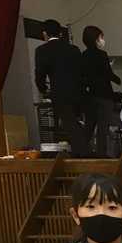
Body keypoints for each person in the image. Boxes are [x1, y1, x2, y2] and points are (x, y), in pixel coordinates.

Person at [33, 19, 87, 156]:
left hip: (60, 93)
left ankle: (79, 155)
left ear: (44, 34)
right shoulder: (73, 49)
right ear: (60, 33)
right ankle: (81, 151)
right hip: (78, 93)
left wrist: (44, 90)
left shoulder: (42, 50)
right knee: (76, 123)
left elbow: (40, 74)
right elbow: (82, 72)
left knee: (67, 125)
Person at [80, 25, 122, 156]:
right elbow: (107, 74)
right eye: (101, 37)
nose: (102, 40)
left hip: (90, 96)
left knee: (89, 126)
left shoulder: (83, 55)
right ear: (96, 39)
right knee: (102, 128)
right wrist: (118, 79)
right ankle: (101, 156)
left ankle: (82, 153)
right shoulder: (102, 55)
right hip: (104, 95)